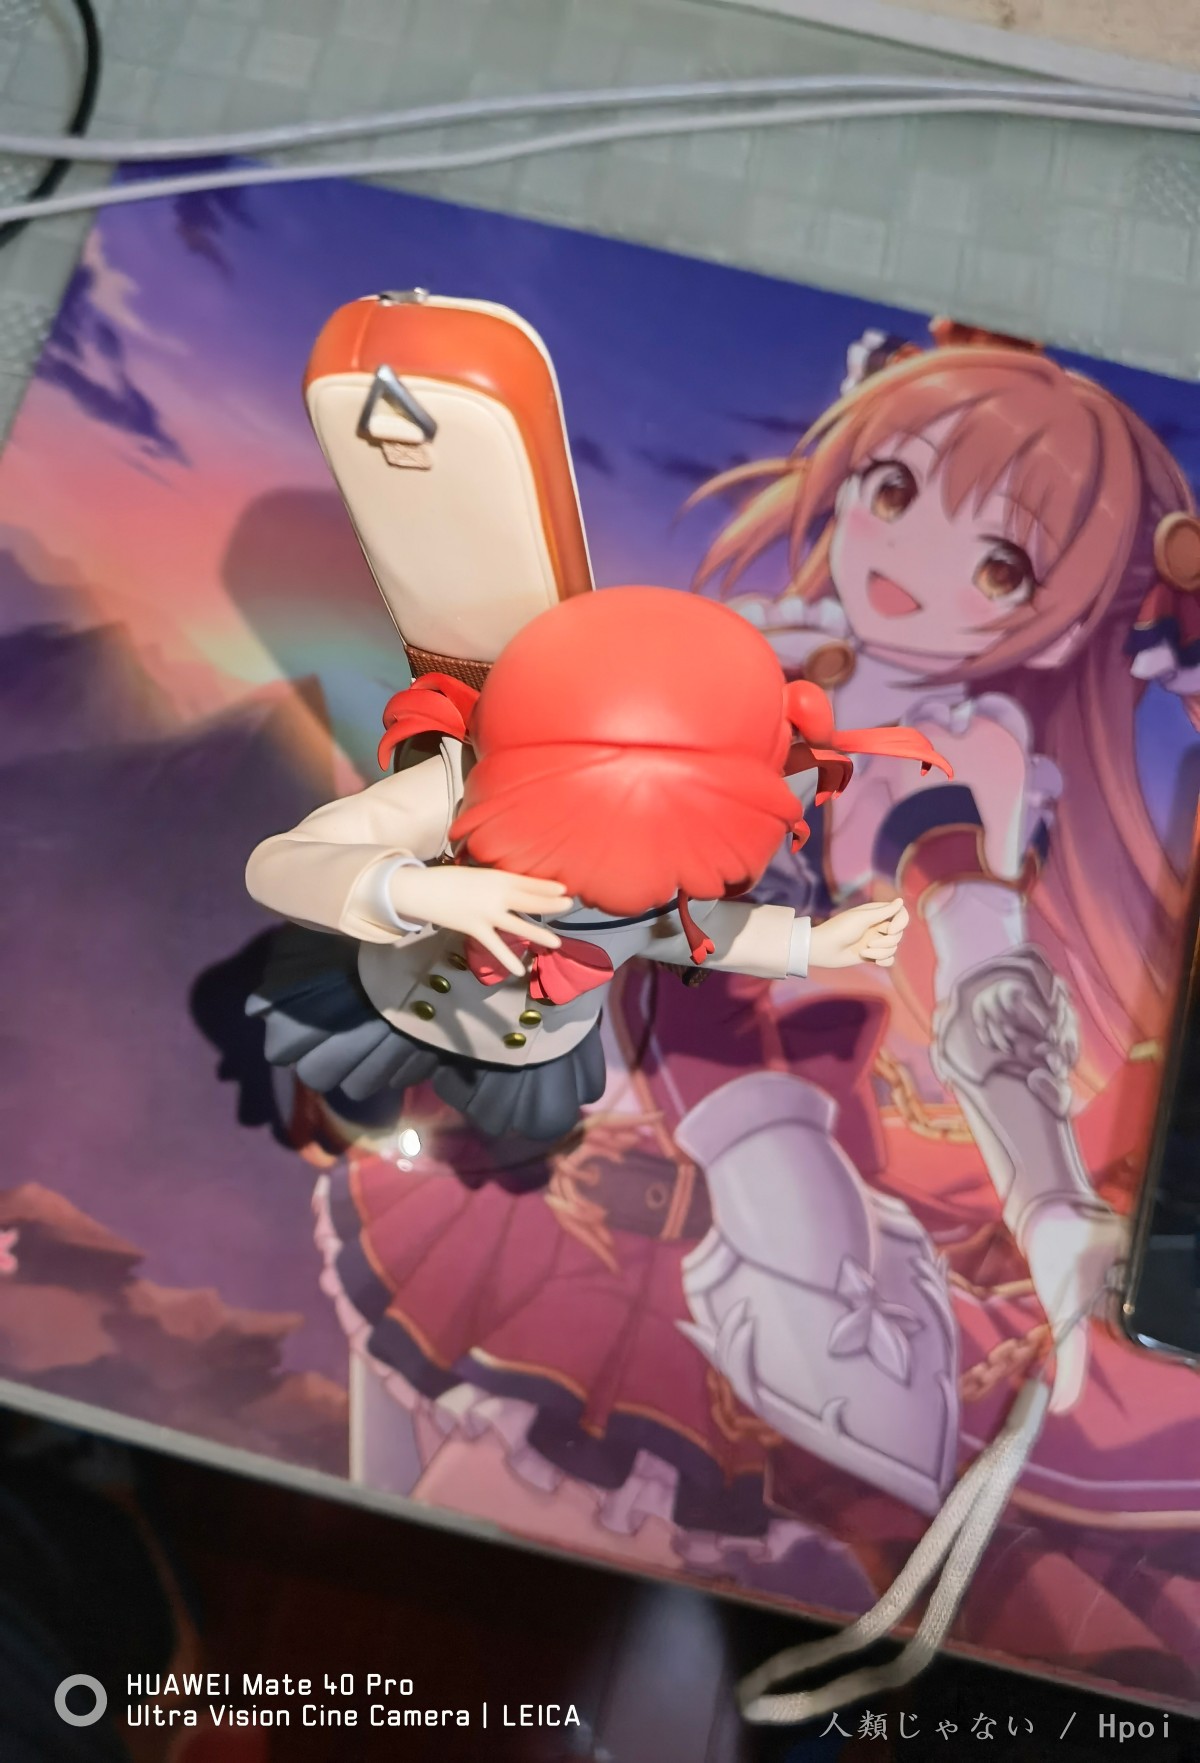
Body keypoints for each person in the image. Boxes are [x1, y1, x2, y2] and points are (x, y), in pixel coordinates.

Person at [686, 320, 1200, 1409]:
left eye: (1000, 565)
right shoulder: (752, 646)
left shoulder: (954, 753)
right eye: (893, 491)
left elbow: (980, 960)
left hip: (755, 1065)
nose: (910, 561)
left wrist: (1051, 1203)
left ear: (1055, 633)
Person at [244, 584, 948, 1152]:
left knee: (483, 1135)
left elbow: (679, 931)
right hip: (397, 993)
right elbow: (277, 864)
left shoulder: (688, 847)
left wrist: (809, 943)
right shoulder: (461, 784)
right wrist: (411, 888)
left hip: (537, 1038)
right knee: (348, 1092)